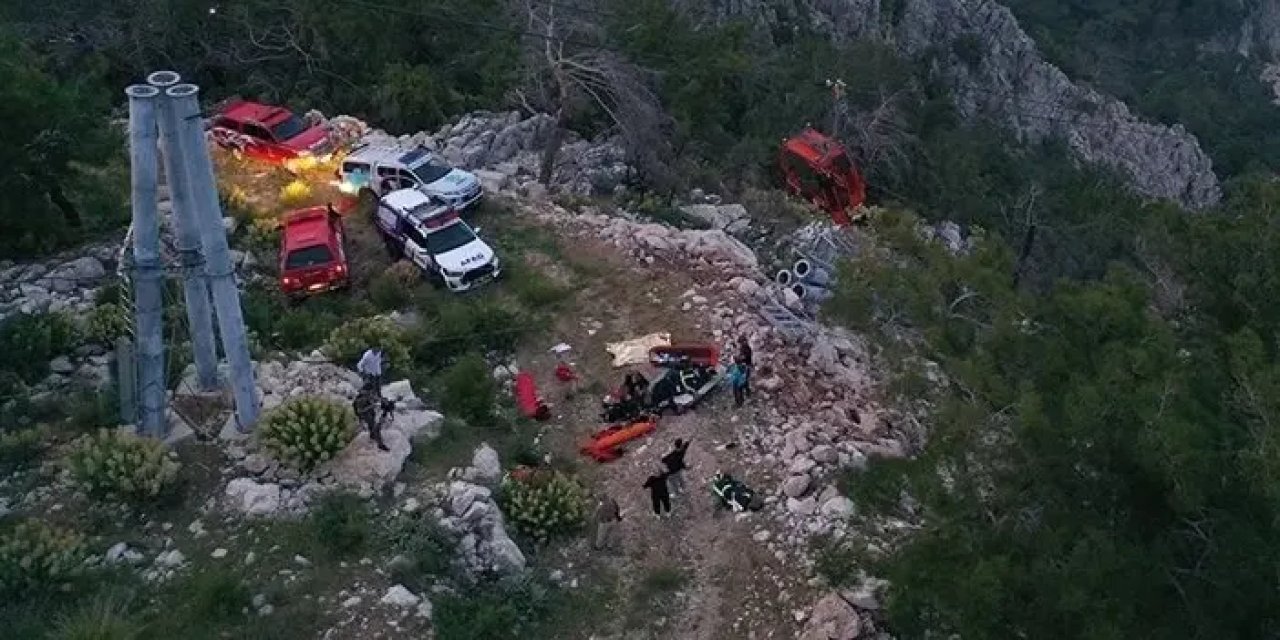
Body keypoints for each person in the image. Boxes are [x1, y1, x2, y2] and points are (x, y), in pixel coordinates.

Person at [353, 381, 391, 452]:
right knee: (375, 427)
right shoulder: (360, 399)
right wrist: (371, 406)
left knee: (373, 424)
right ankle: (380, 444)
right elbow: (360, 411)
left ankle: (372, 435)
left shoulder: (368, 395)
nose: (371, 393)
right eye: (370, 392)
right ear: (367, 391)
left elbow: (375, 398)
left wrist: (383, 401)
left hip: (369, 412)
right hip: (364, 414)